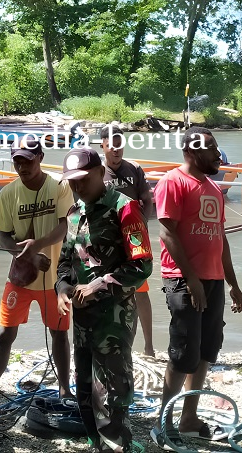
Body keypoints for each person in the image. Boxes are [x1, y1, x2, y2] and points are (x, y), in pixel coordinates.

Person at [0, 135, 75, 425]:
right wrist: (30, 255)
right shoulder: (8, 193)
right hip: (20, 278)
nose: (22, 167)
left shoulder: (59, 186)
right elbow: (3, 236)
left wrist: (38, 245)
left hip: (56, 278)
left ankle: (64, 390)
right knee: (4, 335)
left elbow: (63, 227)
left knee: (59, 334)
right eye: (17, 161)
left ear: (40, 158)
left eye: (27, 160)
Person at [152, 127, 242, 446]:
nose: (218, 154)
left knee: (206, 348)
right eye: (212, 149)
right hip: (182, 279)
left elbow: (221, 239)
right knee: (183, 350)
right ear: (192, 151)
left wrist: (233, 283)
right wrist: (191, 279)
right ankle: (163, 422)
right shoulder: (173, 182)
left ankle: (188, 417)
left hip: (214, 279)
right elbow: (167, 234)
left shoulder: (213, 189)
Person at [56, 147, 153, 453]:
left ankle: (116, 446)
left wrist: (97, 285)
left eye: (83, 180)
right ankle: (96, 444)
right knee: (85, 391)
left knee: (113, 392)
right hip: (82, 321)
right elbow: (65, 263)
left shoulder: (125, 209)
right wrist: (62, 290)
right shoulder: (74, 214)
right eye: (72, 182)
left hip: (113, 319)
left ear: (100, 173)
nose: (78, 187)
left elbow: (142, 264)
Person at [99, 123, 157, 357]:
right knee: (107, 291)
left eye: (120, 144)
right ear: (102, 146)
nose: (116, 149)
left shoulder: (134, 169)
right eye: (111, 145)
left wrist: (142, 223)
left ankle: (149, 347)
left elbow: (147, 199)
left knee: (141, 292)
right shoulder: (96, 172)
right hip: (107, 241)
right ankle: (113, 343)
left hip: (134, 240)